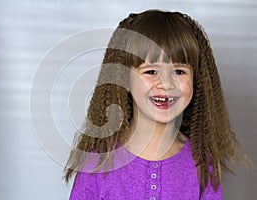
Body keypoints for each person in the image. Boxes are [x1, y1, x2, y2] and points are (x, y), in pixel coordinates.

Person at [64, 9, 246, 199]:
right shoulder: (97, 164)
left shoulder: (203, 166)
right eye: (151, 72)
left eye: (179, 71)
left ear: (196, 79)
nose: (166, 84)